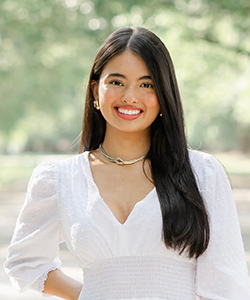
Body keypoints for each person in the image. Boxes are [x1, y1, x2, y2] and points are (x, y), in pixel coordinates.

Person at [4, 27, 250, 300]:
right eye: (117, 82)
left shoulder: (202, 173)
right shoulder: (60, 179)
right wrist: (92, 294)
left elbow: (227, 288)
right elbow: (25, 263)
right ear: (96, 90)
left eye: (147, 84)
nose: (130, 96)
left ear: (164, 94)